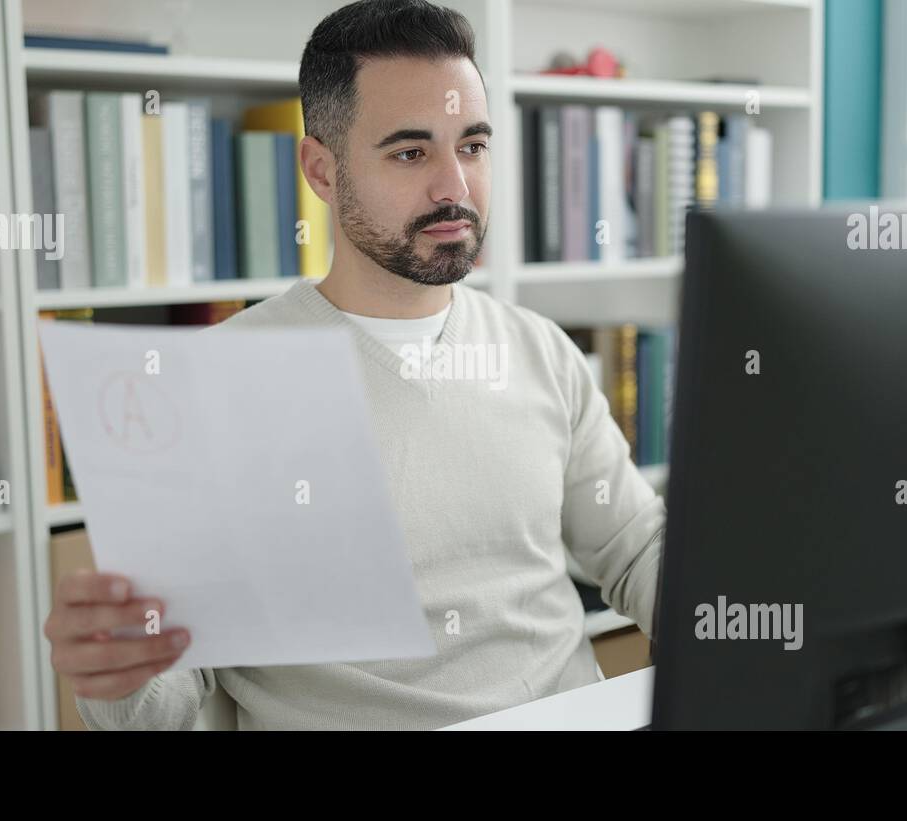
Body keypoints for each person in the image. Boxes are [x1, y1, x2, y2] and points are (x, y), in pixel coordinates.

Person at [44, 0, 665, 730]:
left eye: (471, 146)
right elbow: (162, 703)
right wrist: (114, 672)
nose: (455, 188)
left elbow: (635, 550)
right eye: (410, 152)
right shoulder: (217, 386)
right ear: (321, 171)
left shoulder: (541, 351)